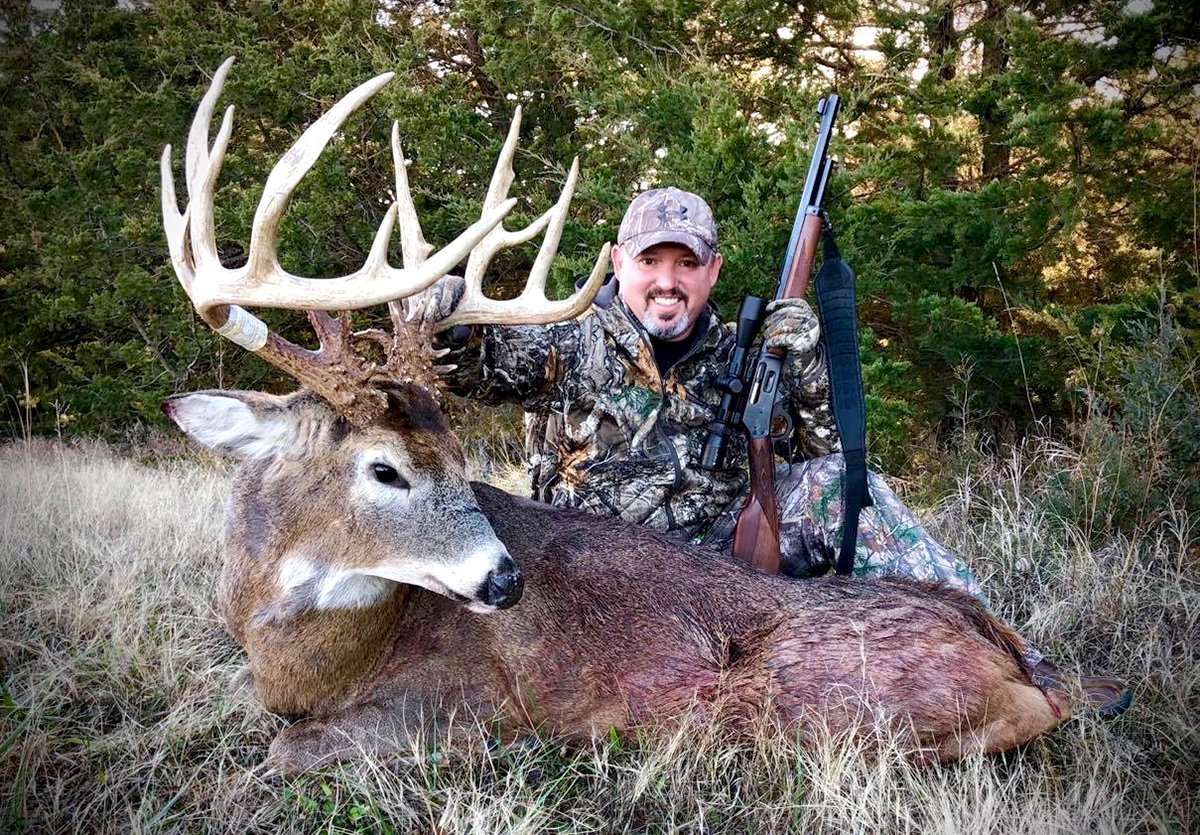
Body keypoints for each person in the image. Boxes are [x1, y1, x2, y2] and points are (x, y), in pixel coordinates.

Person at [433, 186, 1130, 717]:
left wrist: (803, 363)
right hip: (593, 573)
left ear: (713, 271)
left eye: (687, 263)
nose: (668, 281)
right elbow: (484, 365)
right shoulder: (572, 338)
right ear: (621, 262)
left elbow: (824, 453)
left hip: (718, 565)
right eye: (651, 261)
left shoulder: (747, 346)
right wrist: (451, 322)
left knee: (838, 485)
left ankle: (1022, 661)